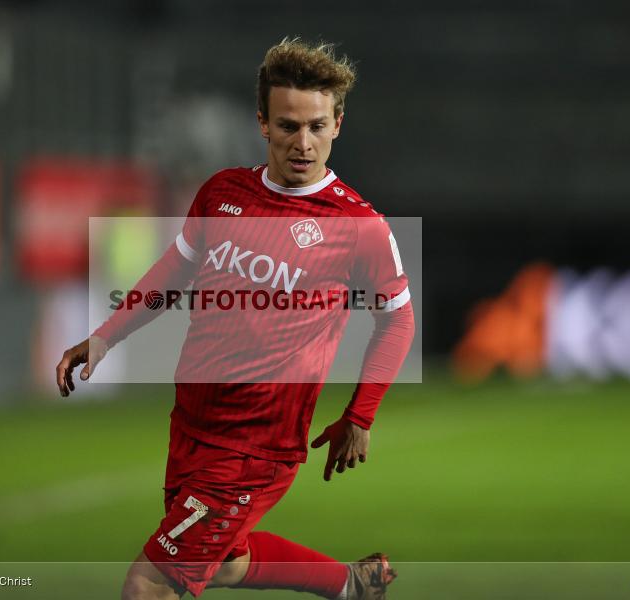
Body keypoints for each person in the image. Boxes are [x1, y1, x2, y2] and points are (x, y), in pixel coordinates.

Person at [57, 38, 415, 600]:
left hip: (255, 448)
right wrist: (105, 337)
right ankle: (351, 585)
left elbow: (397, 322)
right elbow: (174, 270)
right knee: (223, 560)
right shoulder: (224, 193)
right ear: (263, 124)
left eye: (317, 127)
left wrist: (360, 414)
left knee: (148, 584)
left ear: (338, 125)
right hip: (193, 426)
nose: (303, 143)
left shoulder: (359, 225)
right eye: (288, 126)